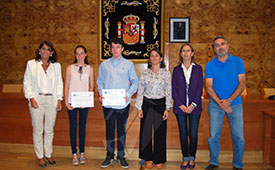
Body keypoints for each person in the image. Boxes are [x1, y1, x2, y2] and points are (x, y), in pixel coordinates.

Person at [205, 36, 246, 170]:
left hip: (235, 104)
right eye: (217, 45)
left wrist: (228, 101)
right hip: (215, 105)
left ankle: (238, 165)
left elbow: (242, 83)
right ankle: (213, 162)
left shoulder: (238, 61)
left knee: (239, 137)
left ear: (228, 46)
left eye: (222, 44)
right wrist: (221, 103)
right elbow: (209, 87)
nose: (220, 47)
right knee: (214, 136)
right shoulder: (210, 64)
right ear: (214, 48)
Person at [97, 37, 139, 169]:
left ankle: (121, 156)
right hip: (108, 104)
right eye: (113, 47)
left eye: (117, 47)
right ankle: (109, 156)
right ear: (111, 49)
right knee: (109, 130)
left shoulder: (129, 64)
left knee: (121, 130)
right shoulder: (104, 65)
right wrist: (101, 94)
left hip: (122, 104)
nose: (115, 50)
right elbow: (100, 82)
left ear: (122, 49)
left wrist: (128, 95)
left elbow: (135, 82)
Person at [23, 41, 63, 168]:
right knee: (38, 129)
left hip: (51, 100)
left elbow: (59, 84)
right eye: (43, 49)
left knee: (49, 130)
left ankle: (48, 154)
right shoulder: (31, 64)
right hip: (37, 99)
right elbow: (27, 82)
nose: (45, 51)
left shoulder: (56, 66)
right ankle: (40, 156)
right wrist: (31, 98)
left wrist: (59, 99)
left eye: (48, 50)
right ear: (39, 50)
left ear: (52, 53)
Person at [135, 49, 172, 169]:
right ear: (149, 59)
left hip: (160, 104)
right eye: (152, 56)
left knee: (159, 132)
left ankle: (158, 158)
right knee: (146, 132)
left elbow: (169, 91)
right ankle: (147, 158)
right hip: (147, 103)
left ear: (161, 59)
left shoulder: (166, 73)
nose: (154, 58)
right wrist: (139, 107)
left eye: (157, 56)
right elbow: (140, 90)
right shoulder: (145, 73)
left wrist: (167, 108)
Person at [172, 43, 203, 170]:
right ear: (180, 54)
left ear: (192, 53)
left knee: (193, 134)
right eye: (183, 51)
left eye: (188, 51)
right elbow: (173, 89)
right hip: (180, 108)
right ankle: (185, 158)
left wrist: (193, 105)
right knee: (183, 134)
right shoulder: (176, 70)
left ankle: (192, 158)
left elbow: (200, 88)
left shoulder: (198, 69)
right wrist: (181, 105)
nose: (186, 53)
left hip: (195, 108)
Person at [64, 45, 94, 166]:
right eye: (77, 53)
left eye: (82, 53)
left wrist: (87, 100)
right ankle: (74, 153)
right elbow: (66, 85)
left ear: (86, 54)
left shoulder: (90, 68)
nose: (80, 56)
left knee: (82, 126)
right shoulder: (69, 68)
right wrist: (66, 101)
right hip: (72, 101)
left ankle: (82, 152)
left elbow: (91, 86)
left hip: (84, 102)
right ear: (75, 55)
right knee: (73, 126)